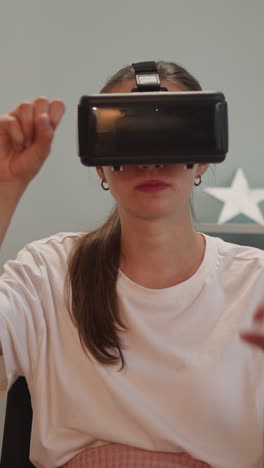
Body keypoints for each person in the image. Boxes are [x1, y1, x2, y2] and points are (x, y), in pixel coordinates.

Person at [0, 61, 264, 468]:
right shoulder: (46, 274)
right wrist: (4, 190)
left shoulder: (256, 285)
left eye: (171, 136)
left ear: (204, 157)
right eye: (129, 136)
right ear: (100, 162)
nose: (150, 161)